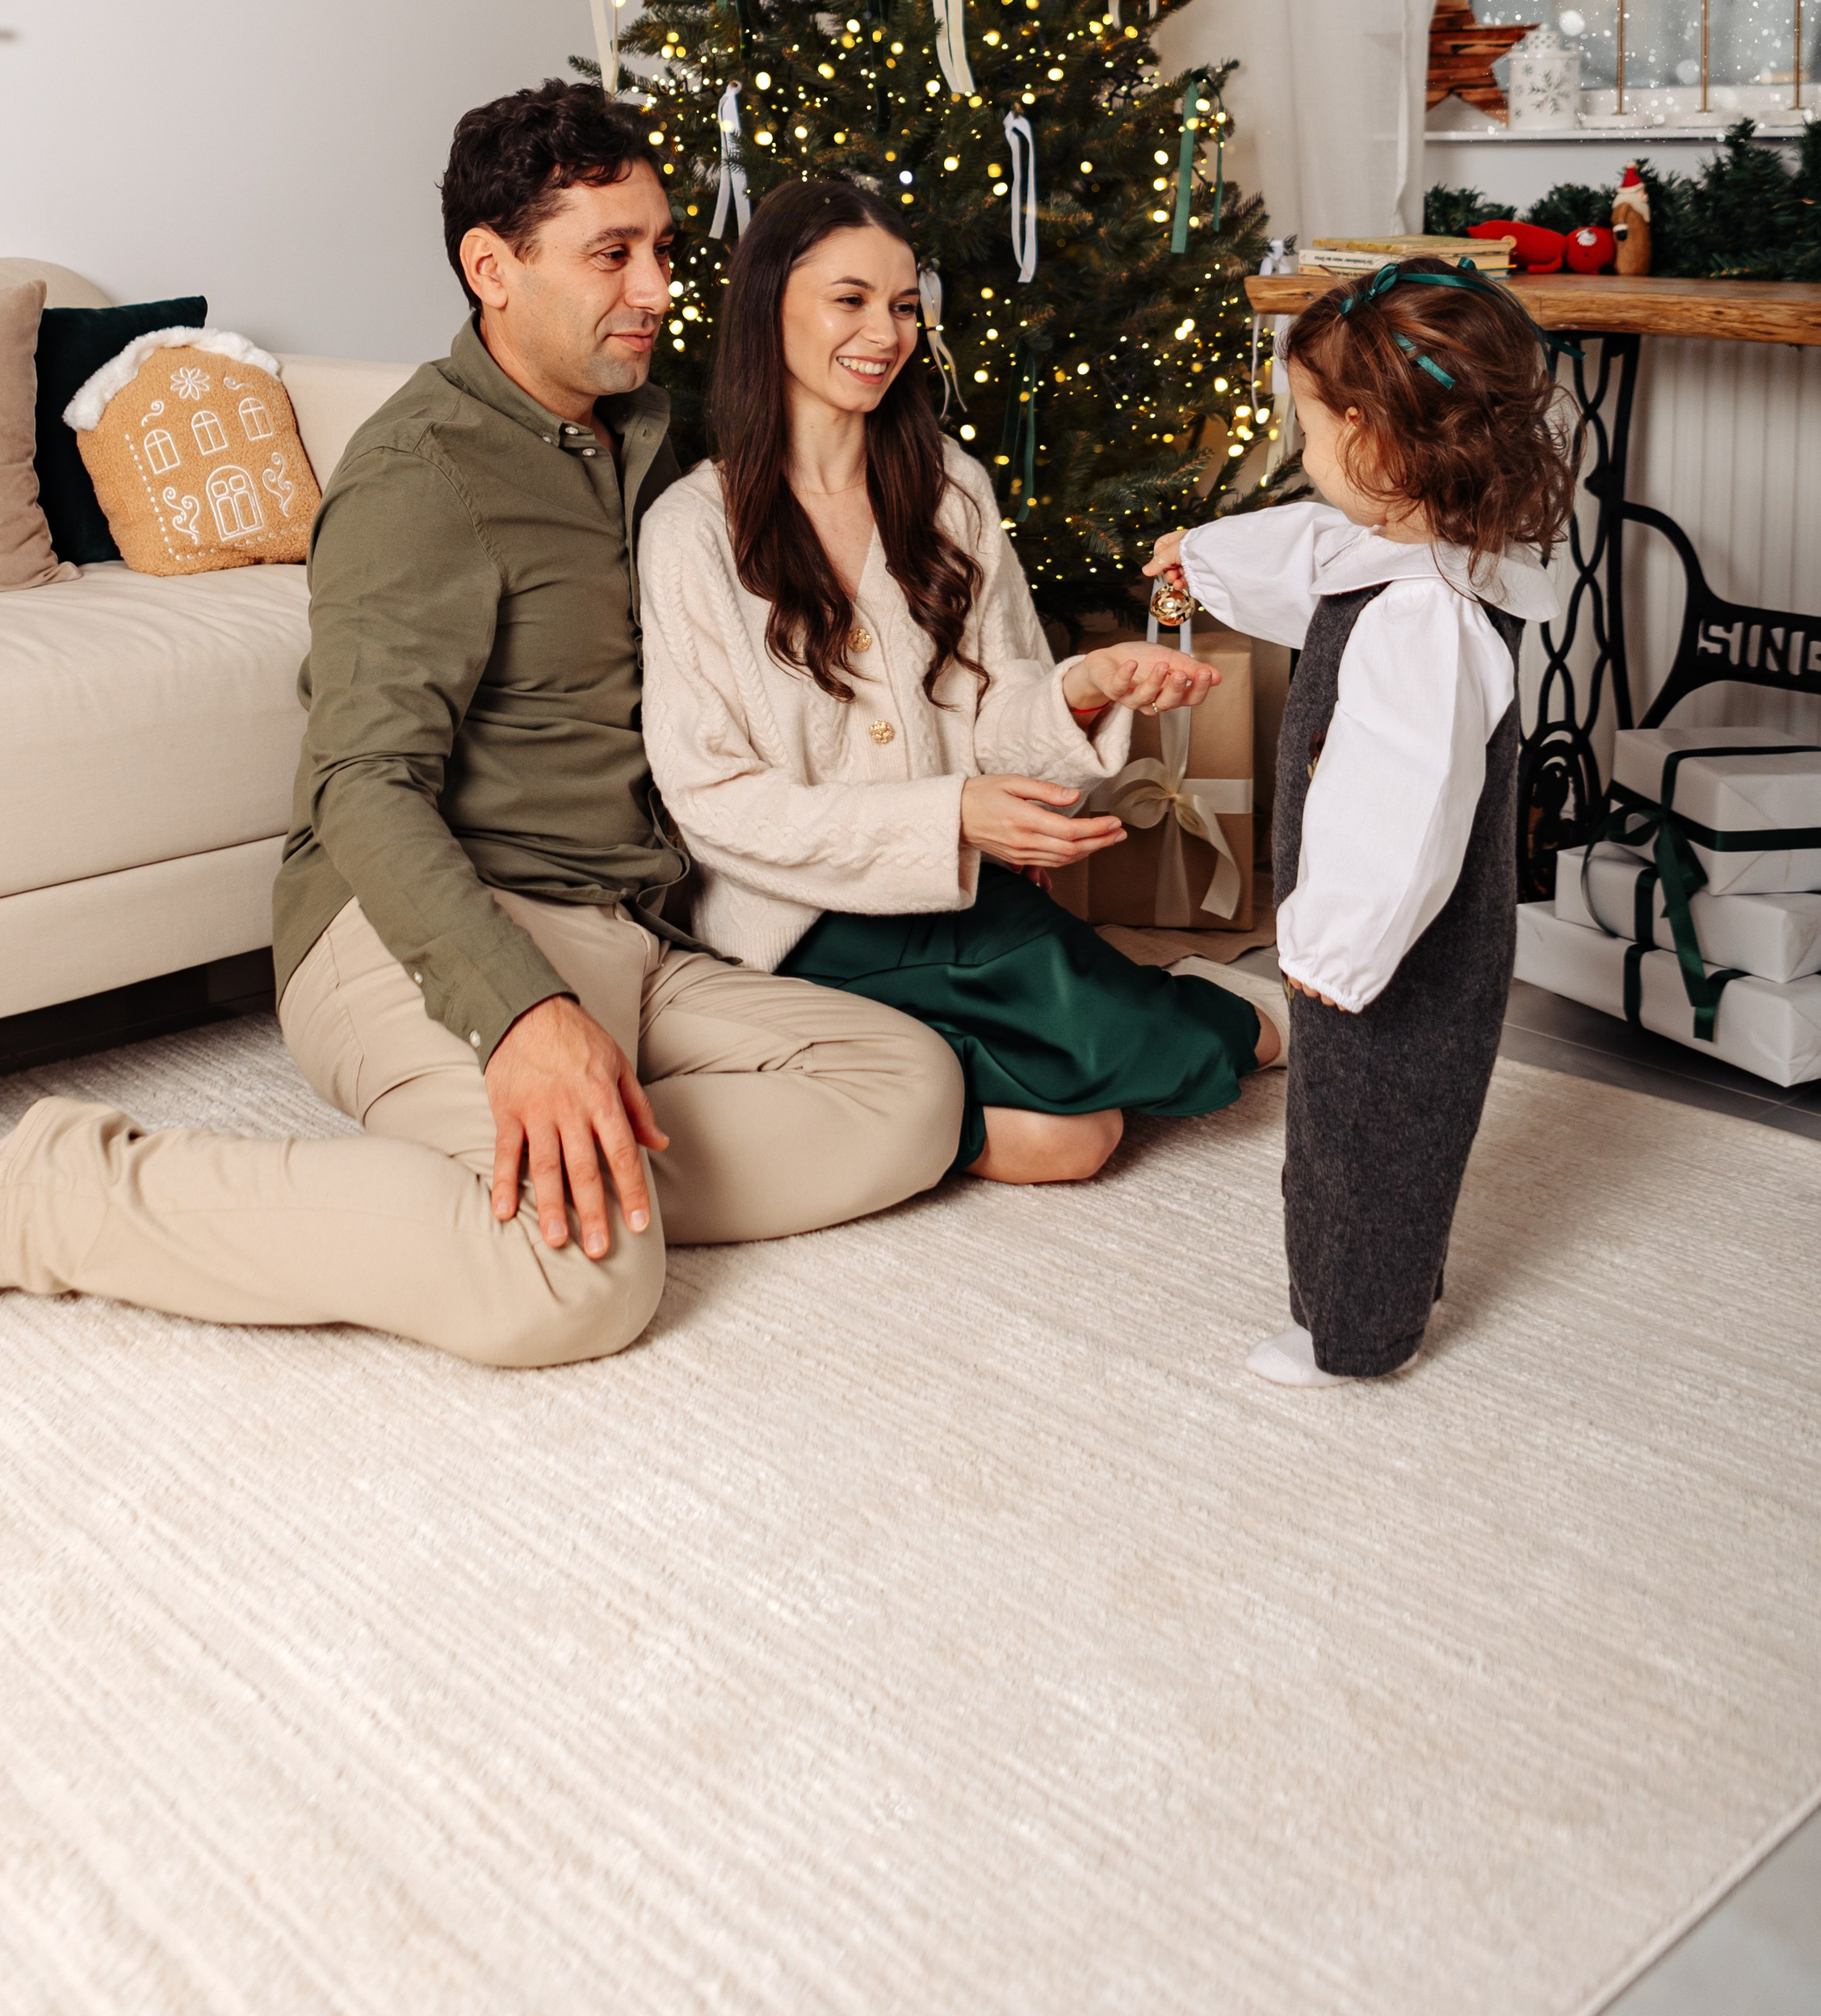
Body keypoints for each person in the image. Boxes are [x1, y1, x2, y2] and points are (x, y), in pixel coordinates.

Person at [0, 86, 965, 1363]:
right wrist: (521, 1014)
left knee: (909, 1091)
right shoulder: (425, 474)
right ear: (493, 268)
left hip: (625, 929)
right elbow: (361, 784)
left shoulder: (647, 433)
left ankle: (547, 1177)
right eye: (611, 254)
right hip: (417, 930)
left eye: (663, 250)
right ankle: (66, 1188)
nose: (654, 289)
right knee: (571, 1290)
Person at [637, 179, 1285, 1188]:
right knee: (1082, 1124)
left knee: (1116, 1090)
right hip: (802, 918)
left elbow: (999, 712)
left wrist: (1087, 687)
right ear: (769, 304)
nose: (884, 332)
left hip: (952, 893)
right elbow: (711, 802)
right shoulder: (690, 531)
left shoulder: (950, 487)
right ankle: (1208, 1012)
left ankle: (1151, 1016)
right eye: (849, 299)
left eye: (903, 306)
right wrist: (949, 818)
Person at [1148, 257, 1571, 1388]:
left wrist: (1332, 947)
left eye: (1309, 429)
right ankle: (1360, 1294)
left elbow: (1409, 803)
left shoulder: (1424, 622)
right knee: (1367, 1128)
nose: (1301, 454)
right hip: (1367, 937)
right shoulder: (1402, 545)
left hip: (1390, 948)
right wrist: (1199, 558)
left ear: (1374, 443)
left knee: (1371, 1140)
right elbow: (1306, 555)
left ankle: (1354, 1332)